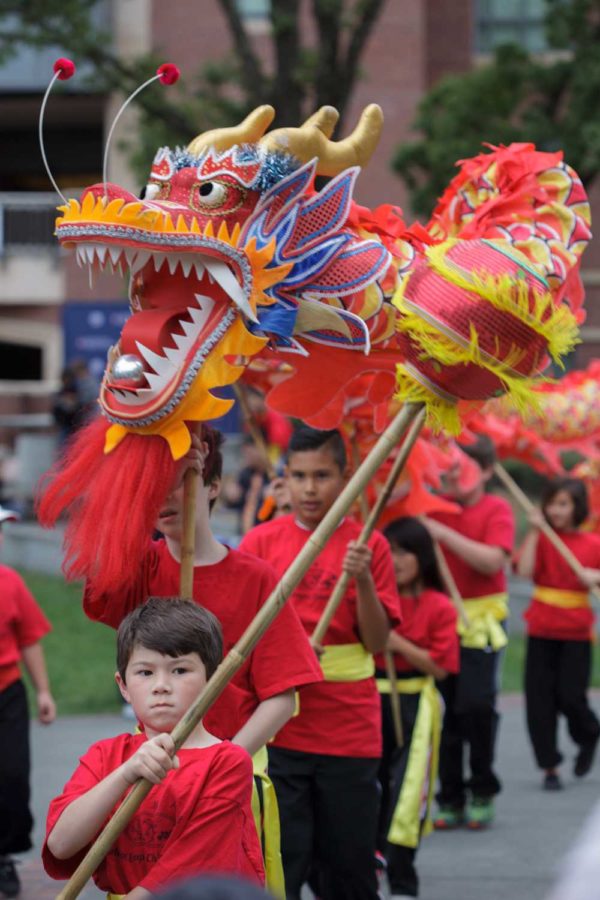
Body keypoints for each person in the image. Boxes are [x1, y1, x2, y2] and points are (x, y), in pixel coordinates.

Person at [83, 425, 322, 892]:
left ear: (212, 486)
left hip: (229, 771)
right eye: (153, 487)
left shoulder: (255, 577)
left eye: (180, 481)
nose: (165, 498)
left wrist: (221, 762)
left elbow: (281, 697)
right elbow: (100, 582)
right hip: (151, 771)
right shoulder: (140, 564)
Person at [239, 426, 401, 900]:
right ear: (283, 479)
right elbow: (241, 638)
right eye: (299, 476)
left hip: (349, 730)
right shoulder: (261, 543)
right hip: (280, 726)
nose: (310, 489)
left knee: (348, 865)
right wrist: (289, 654)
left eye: (323, 476)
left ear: (347, 477)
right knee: (284, 860)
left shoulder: (370, 545)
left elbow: (377, 641)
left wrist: (364, 579)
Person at [43, 598, 265, 895]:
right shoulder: (105, 756)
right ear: (123, 685)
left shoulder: (227, 762)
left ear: (212, 679)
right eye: (145, 672)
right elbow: (61, 844)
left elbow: (190, 863)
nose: (161, 685)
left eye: (180, 670)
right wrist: (125, 773)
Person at [423, 435, 515, 830]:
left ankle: (482, 787)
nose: (455, 472)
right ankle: (451, 796)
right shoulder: (434, 508)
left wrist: (443, 535)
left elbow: (493, 559)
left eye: (466, 466)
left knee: (476, 705)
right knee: (446, 712)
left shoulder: (497, 509)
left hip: (481, 621)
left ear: (489, 471)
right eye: (450, 463)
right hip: (442, 618)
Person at [376, 517, 459, 899]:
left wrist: (397, 643)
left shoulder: (440, 605)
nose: (396, 560)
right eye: (389, 551)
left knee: (407, 793)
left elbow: (440, 666)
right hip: (370, 697)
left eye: (404, 551)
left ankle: (404, 879)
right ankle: (369, 862)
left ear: (422, 556)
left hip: (416, 701)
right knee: (368, 787)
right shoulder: (373, 599)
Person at [515, 477, 600, 790]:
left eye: (563, 504)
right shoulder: (542, 538)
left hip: (576, 633)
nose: (555, 510)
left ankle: (589, 733)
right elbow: (523, 572)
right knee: (539, 702)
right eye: (551, 503)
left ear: (577, 507)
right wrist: (535, 532)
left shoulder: (593, 543)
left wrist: (594, 575)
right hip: (541, 629)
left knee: (571, 697)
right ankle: (549, 765)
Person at [0, 504, 56, 899]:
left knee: (12, 776)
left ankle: (4, 853)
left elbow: (30, 639)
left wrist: (44, 692)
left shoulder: (10, 583)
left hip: (8, 695)